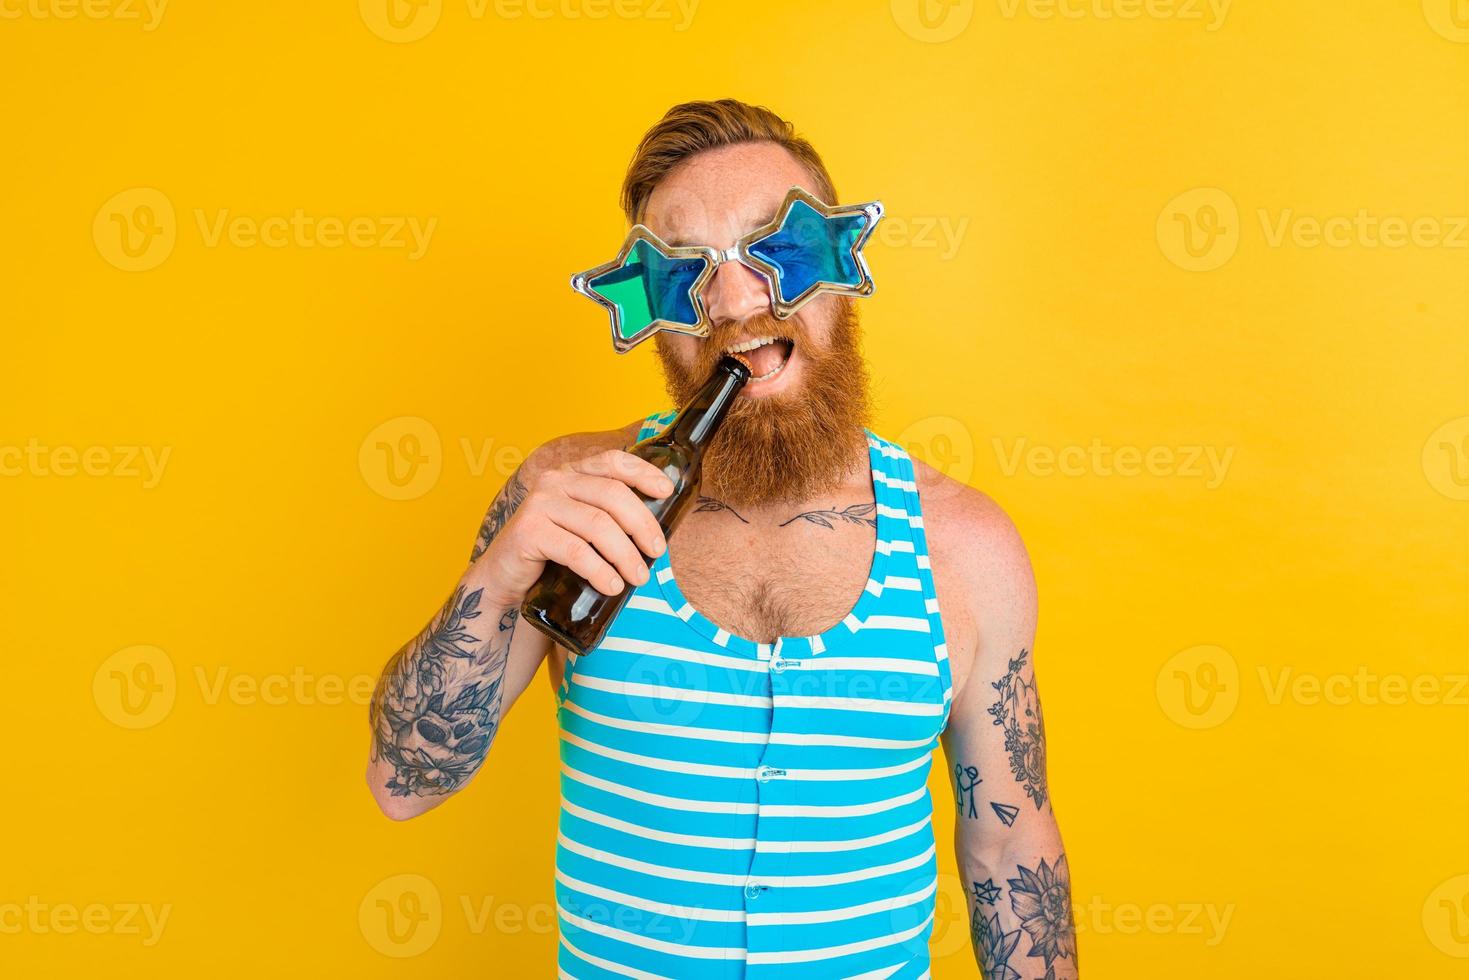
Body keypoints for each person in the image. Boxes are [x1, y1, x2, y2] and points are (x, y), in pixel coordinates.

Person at [366, 98, 1076, 979]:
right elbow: (406, 782)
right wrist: (499, 576)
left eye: (779, 247)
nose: (736, 301)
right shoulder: (572, 504)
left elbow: (1008, 856)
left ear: (841, 262)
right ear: (650, 311)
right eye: (684, 273)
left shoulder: (964, 547)